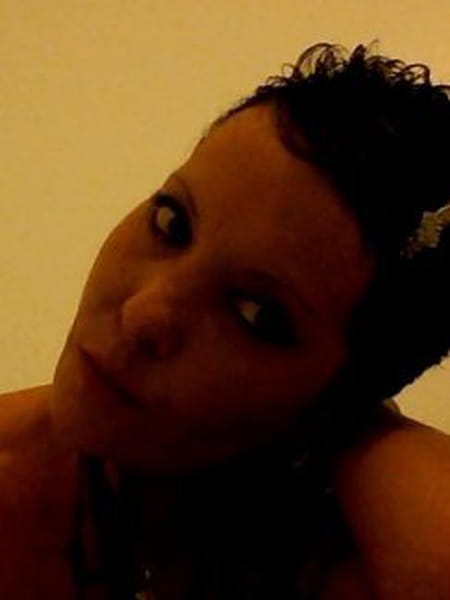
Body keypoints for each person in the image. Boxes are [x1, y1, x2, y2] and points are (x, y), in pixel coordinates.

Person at [2, 41, 450, 600]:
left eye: (253, 313)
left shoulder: (346, 552)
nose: (144, 313)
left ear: (335, 399)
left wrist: (377, 449)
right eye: (172, 223)